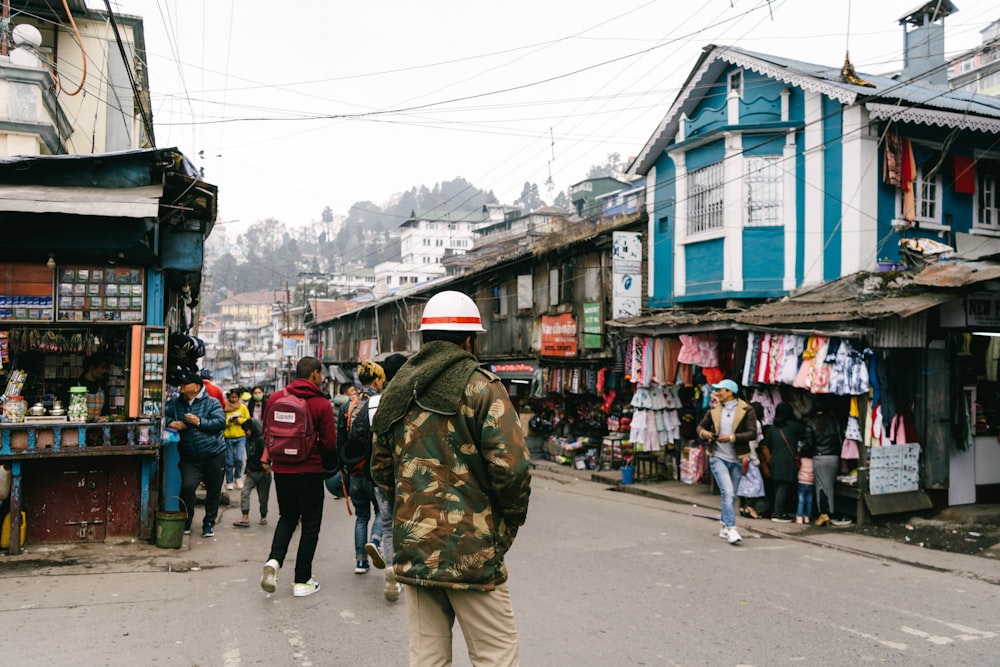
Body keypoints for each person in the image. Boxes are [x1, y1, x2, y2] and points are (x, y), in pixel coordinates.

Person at [372, 291, 532, 665]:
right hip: (472, 552)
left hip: (415, 550)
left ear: (424, 339)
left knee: (427, 658)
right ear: (469, 340)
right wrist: (506, 527)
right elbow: (513, 469)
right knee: (496, 656)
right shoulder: (481, 387)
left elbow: (380, 469)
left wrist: (412, 515)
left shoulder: (398, 389)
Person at [260, 356, 338, 598]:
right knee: (311, 525)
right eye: (320, 374)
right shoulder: (321, 403)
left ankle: (274, 562)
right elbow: (329, 443)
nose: (322, 378)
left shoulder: (275, 398)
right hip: (310, 470)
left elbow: (267, 432)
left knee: (287, 518)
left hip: (281, 471)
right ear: (314, 374)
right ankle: (302, 580)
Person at [366, 352, 408, 603]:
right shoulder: (413, 397)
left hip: (382, 475)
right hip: (408, 474)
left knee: (388, 526)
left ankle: (391, 567)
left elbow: (374, 443)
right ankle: (406, 572)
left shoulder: (378, 401)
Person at [164, 373, 227, 538]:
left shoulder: (211, 403)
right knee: (187, 487)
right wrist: (171, 422)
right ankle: (186, 521)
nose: (181, 386)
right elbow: (163, 414)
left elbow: (220, 423)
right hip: (189, 457)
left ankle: (209, 524)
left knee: (213, 491)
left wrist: (199, 422)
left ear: (196, 387)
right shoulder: (176, 404)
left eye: (186, 384)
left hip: (214, 454)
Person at [338, 360, 385, 575]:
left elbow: (341, 440)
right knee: (382, 513)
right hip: (375, 469)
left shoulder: (348, 404)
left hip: (354, 469)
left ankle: (360, 562)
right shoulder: (380, 402)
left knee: (361, 516)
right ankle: (375, 540)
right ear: (376, 380)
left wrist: (343, 467)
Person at [697, 379, 757, 545]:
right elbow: (700, 427)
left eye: (720, 390)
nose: (716, 393)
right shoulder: (714, 409)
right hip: (717, 456)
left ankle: (724, 525)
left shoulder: (746, 410)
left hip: (737, 458)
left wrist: (732, 438)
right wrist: (705, 434)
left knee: (731, 495)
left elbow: (753, 433)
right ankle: (731, 528)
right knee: (728, 492)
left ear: (730, 392)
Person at [766, 402, 806, 523]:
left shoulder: (772, 428)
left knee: (778, 486)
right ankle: (778, 513)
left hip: (775, 459)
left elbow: (769, 444)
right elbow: (805, 432)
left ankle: (778, 510)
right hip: (787, 460)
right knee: (783, 486)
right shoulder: (794, 426)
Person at [805, 404, 844, 527]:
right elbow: (840, 438)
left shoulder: (811, 423)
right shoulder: (834, 422)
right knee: (830, 486)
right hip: (834, 457)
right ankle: (830, 511)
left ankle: (824, 514)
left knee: (821, 486)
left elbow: (809, 443)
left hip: (819, 456)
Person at [233, 418, 271, 527]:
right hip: (251, 472)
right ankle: (245, 516)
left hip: (263, 473)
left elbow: (268, 452)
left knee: (263, 498)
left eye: (247, 430)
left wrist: (267, 464)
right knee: (245, 493)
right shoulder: (248, 439)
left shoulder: (261, 440)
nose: (246, 433)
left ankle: (263, 515)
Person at [737, 401, 766, 520]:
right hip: (749, 457)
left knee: (743, 482)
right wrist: (755, 459)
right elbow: (753, 442)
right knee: (756, 482)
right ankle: (751, 507)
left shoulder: (741, 421)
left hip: (741, 456)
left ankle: (742, 506)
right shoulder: (756, 423)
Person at [223, 389, 251, 490]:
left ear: (239, 397)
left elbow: (247, 419)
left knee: (239, 459)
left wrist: (238, 420)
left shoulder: (243, 407)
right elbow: (221, 421)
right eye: (232, 397)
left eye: (236, 397)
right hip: (228, 436)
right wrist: (229, 420)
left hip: (240, 436)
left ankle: (238, 477)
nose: (234, 399)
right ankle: (229, 481)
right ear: (228, 397)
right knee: (229, 461)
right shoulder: (224, 407)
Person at [77, 353, 111, 420]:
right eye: (103, 367)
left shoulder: (103, 388)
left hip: (98, 429)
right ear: (91, 368)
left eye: (106, 368)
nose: (105, 371)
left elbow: (105, 413)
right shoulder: (74, 385)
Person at [796, 437, 816, 524]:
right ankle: (807, 517)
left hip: (802, 481)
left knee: (801, 499)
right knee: (809, 500)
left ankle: (799, 517)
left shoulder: (801, 460)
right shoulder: (814, 461)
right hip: (811, 481)